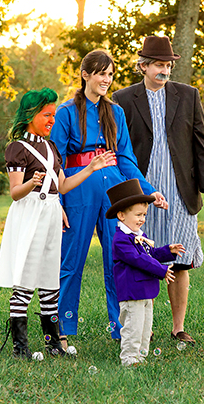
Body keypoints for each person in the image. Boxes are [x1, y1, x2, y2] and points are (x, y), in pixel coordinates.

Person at [50, 50, 167, 347]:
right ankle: (61, 329)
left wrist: (148, 190)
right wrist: (59, 203)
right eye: (101, 73)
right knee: (71, 261)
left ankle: (123, 328)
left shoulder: (115, 112)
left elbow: (125, 158)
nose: (106, 79)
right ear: (85, 74)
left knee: (119, 259)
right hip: (79, 187)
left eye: (110, 74)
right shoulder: (65, 113)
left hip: (113, 188)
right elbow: (57, 161)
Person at [112, 35, 204, 345]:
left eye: (168, 65)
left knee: (180, 257)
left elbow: (200, 144)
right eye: (159, 65)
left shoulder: (188, 95)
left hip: (180, 190)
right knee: (143, 256)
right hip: (141, 191)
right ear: (143, 66)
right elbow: (120, 148)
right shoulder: (123, 99)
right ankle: (143, 324)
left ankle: (177, 327)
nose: (165, 70)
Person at [0, 88, 115, 359]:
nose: (52, 120)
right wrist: (30, 184)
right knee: (25, 279)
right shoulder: (17, 148)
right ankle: (20, 347)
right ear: (30, 116)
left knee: (50, 278)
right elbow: (15, 193)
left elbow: (62, 185)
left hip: (50, 212)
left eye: (53, 115)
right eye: (46, 115)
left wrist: (90, 168)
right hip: (29, 214)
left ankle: (52, 343)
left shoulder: (50, 147)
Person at [106, 179, 185, 366]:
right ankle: (129, 359)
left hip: (146, 292)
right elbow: (139, 260)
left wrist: (168, 251)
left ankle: (141, 357)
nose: (142, 219)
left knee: (144, 327)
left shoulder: (139, 236)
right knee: (133, 328)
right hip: (132, 293)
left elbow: (151, 254)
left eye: (144, 215)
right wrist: (162, 271)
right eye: (138, 215)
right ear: (121, 215)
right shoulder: (121, 240)